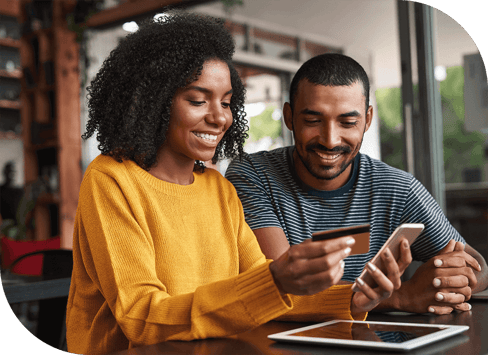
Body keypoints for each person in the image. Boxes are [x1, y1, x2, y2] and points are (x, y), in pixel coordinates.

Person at [65, 14, 409, 355]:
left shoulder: (218, 189)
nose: (219, 118)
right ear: (155, 101)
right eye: (198, 101)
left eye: (227, 103)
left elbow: (265, 295)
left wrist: (351, 298)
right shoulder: (111, 179)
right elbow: (142, 318)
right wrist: (274, 282)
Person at [225, 53, 488, 316]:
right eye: (313, 120)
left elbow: (479, 268)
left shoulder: (398, 189)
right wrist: (401, 297)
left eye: (348, 122)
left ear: (368, 119)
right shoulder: (253, 175)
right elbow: (280, 289)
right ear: (289, 116)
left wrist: (450, 280)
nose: (330, 140)